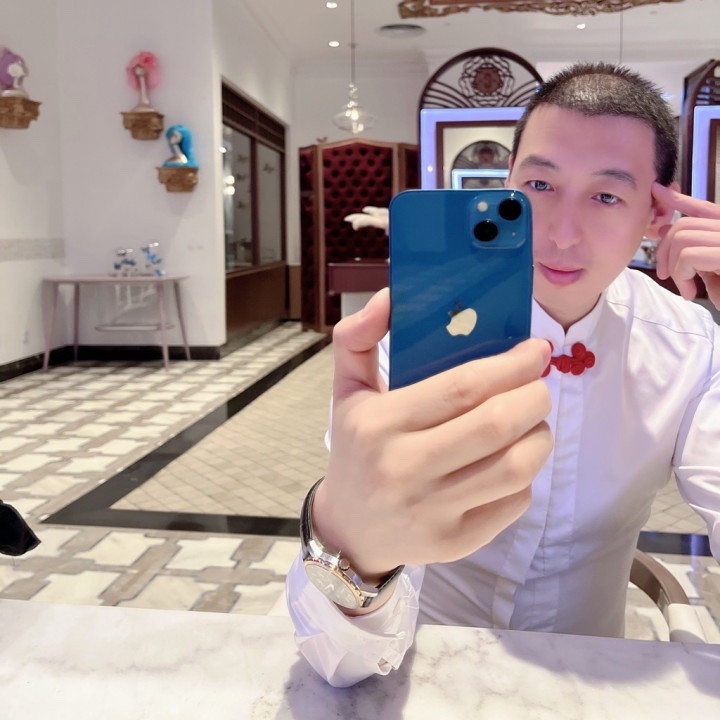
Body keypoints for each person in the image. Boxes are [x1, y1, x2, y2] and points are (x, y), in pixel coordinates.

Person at [285, 62, 720, 687]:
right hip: (418, 668)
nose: (561, 235)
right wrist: (352, 543)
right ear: (509, 181)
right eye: (540, 186)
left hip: (585, 680)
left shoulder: (689, 345)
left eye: (606, 196)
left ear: (656, 213)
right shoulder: (416, 328)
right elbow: (337, 661)